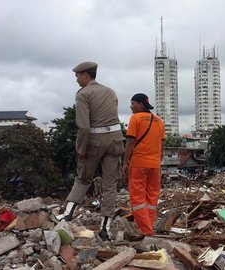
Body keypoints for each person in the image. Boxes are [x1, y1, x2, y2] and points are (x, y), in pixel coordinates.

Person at [57, 61, 124, 241]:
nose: (77, 80)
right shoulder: (110, 91)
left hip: (95, 141)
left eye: (78, 76)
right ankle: (105, 228)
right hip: (116, 139)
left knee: (83, 177)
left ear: (85, 75)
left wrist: (80, 148)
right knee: (110, 185)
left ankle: (67, 214)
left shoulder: (83, 94)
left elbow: (84, 127)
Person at [122, 93, 165, 236]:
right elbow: (162, 144)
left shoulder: (136, 118)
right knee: (152, 199)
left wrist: (125, 162)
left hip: (139, 164)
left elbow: (130, 142)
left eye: (133, 103)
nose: (130, 106)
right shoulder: (159, 121)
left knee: (138, 199)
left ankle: (147, 231)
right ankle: (149, 226)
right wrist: (159, 160)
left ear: (141, 104)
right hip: (155, 165)